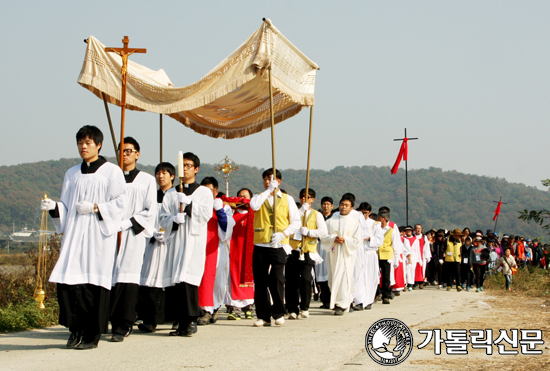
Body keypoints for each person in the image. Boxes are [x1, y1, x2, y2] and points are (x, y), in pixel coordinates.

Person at [41, 125, 126, 349]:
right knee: (69, 283)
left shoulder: (112, 171)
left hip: (98, 236)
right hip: (75, 234)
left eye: (88, 143)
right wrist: (54, 208)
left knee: (93, 285)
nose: (83, 147)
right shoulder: (72, 173)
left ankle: (92, 334)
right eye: (80, 143)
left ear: (98, 145)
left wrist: (96, 207)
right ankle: (75, 329)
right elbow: (66, 206)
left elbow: (121, 204)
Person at [159, 152, 213, 337]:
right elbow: (162, 217)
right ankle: (180, 322)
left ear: (196, 169)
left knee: (188, 281)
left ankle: (191, 321)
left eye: (189, 165)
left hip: (192, 241)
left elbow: (206, 215)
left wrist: (189, 205)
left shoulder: (203, 192)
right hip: (175, 242)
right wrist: (174, 219)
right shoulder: (171, 193)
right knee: (176, 283)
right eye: (183, 165)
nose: (186, 169)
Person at [109, 137, 157, 342]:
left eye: (129, 151)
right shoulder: (111, 176)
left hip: (132, 234)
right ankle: (106, 319)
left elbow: (150, 210)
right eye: (122, 151)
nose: (125, 154)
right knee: (108, 277)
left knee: (127, 278)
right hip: (110, 232)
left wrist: (128, 223)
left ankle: (124, 323)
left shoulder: (146, 180)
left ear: (137, 154)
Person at [249, 168, 300, 327]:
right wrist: (268, 191)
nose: (267, 181)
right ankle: (263, 316)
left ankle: (278, 311)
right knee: (261, 281)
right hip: (261, 243)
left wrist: (284, 234)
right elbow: (254, 206)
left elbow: (296, 222)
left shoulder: (287, 199)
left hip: (278, 244)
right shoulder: (259, 197)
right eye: (265, 179)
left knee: (277, 279)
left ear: (279, 181)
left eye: (271, 179)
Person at [138, 162, 176, 333]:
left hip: (171, 243)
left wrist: (169, 232)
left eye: (165, 173)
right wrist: (152, 232)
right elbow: (144, 217)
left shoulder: (177, 195)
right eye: (158, 173)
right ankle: (150, 319)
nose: (161, 176)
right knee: (150, 280)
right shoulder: (151, 196)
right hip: (153, 243)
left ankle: (176, 318)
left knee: (172, 281)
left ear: (172, 176)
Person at [196, 177, 234, 325]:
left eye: (210, 190)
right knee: (203, 279)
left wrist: (219, 211)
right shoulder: (198, 206)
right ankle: (205, 310)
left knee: (218, 281)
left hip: (217, 248)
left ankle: (216, 306)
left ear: (216, 191)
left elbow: (227, 229)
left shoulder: (224, 207)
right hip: (200, 247)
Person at [286, 188, 327, 319]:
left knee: (305, 279)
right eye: (302, 197)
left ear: (312, 199)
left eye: (307, 197)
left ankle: (304, 306)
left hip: (308, 250)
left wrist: (309, 232)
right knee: (291, 280)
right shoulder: (294, 213)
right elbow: (286, 225)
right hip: (293, 250)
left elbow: (323, 232)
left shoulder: (317, 215)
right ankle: (292, 308)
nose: (305, 199)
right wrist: (299, 212)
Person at [320, 194, 362, 315]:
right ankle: (335, 302)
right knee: (333, 278)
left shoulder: (354, 223)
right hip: (333, 254)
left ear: (351, 208)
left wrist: (346, 240)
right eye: (342, 204)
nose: (344, 207)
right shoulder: (330, 221)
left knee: (344, 279)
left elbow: (357, 240)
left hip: (346, 254)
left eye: (347, 205)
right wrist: (334, 238)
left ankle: (342, 305)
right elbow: (324, 236)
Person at [224, 188, 255, 320]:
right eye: (240, 197)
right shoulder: (231, 215)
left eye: (245, 197)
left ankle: (249, 307)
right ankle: (235, 308)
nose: (242, 199)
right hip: (234, 251)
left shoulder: (254, 215)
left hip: (249, 252)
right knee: (234, 278)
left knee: (250, 279)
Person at [355, 202, 383, 310]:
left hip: (370, 254)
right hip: (359, 253)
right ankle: (359, 301)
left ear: (369, 213)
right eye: (361, 213)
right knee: (359, 277)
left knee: (371, 277)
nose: (363, 215)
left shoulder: (374, 224)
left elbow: (380, 240)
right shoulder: (355, 223)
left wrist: (370, 238)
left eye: (365, 213)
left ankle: (369, 300)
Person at [375, 208, 401, 305]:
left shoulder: (391, 230)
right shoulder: (376, 228)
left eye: (380, 217)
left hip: (386, 255)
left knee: (386, 276)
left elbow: (395, 244)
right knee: (375, 275)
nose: (378, 219)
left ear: (384, 218)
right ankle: (377, 293)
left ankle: (386, 295)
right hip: (376, 254)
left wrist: (396, 258)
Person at [316, 196, 335, 309]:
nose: (326, 206)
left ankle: (332, 299)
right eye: (324, 204)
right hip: (320, 246)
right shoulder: (318, 216)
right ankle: (325, 299)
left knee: (330, 273)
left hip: (331, 247)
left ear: (332, 206)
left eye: (328, 204)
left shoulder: (335, 218)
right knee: (321, 274)